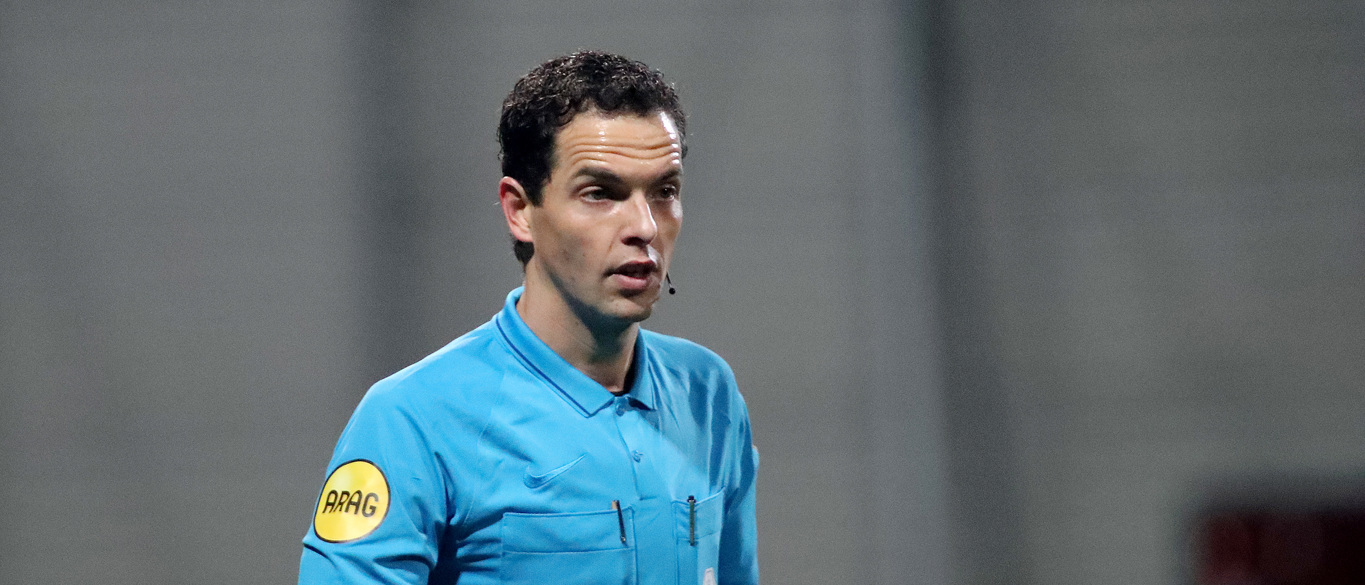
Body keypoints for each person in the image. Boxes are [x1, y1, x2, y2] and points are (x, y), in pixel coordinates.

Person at [298, 51, 759, 585]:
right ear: (519, 210)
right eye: (600, 193)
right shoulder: (412, 419)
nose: (645, 226)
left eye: (665, 191)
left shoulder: (709, 395)